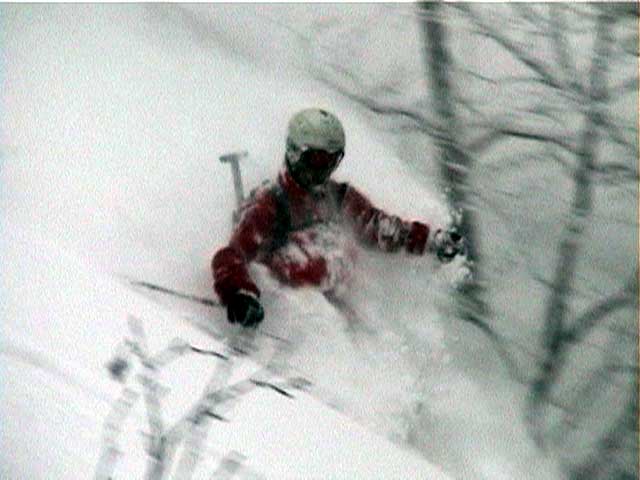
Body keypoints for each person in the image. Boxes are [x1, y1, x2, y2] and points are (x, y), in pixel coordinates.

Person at [212, 108, 465, 328]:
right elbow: (232, 255)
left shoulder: (337, 198)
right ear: (295, 154)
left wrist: (430, 241)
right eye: (317, 160)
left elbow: (378, 228)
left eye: (331, 160)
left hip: (338, 317)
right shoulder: (270, 204)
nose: (322, 170)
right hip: (294, 319)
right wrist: (240, 293)